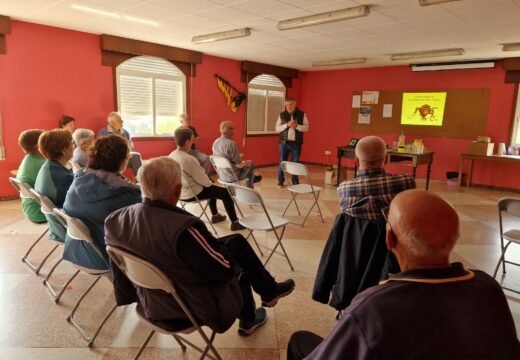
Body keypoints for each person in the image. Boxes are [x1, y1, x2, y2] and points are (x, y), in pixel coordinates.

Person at [288, 190, 520, 360]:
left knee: (299, 341)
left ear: (389, 240)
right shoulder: (488, 287)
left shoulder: (373, 307)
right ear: (456, 238)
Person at [105, 156, 295, 336]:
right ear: (178, 190)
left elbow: (122, 270)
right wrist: (214, 246)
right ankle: (251, 315)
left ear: (141, 186)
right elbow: (224, 270)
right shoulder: (183, 230)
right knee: (238, 263)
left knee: (236, 242)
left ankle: (268, 292)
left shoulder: (114, 221)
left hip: (150, 301)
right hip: (187, 306)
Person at [62, 135, 141, 270]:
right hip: (107, 257)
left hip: (77, 249)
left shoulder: (78, 179)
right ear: (122, 161)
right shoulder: (129, 194)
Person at [170, 127, 245, 231]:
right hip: (192, 194)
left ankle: (215, 215)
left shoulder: (171, 156)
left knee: (211, 189)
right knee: (225, 193)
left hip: (179, 194)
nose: (192, 142)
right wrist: (208, 182)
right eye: (192, 139)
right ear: (187, 141)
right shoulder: (189, 159)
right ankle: (235, 222)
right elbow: (205, 181)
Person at [337, 135, 416, 221]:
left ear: (356, 162)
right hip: (389, 233)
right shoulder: (406, 182)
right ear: (386, 159)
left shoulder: (343, 188)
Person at [34, 129, 74, 242]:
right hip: (70, 230)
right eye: (72, 143)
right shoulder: (64, 178)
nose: (73, 147)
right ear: (63, 150)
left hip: (57, 227)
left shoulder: (46, 168)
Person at [212, 121, 261, 188]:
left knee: (246, 167)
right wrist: (245, 162)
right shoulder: (231, 144)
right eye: (233, 128)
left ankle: (252, 178)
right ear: (228, 130)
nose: (234, 130)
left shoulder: (216, 142)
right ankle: (250, 188)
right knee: (250, 163)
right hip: (232, 177)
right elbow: (239, 164)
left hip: (222, 175)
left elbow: (222, 157)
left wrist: (238, 156)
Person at [275, 98, 309, 187]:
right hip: (284, 143)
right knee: (282, 161)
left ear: (295, 105)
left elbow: (306, 128)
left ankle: (295, 181)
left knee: (295, 162)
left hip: (296, 143)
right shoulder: (281, 115)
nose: (289, 106)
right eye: (287, 105)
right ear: (285, 105)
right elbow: (277, 129)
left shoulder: (302, 114)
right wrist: (287, 125)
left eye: (291, 104)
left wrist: (297, 126)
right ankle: (280, 180)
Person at [97, 111, 142, 177]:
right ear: (112, 123)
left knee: (135, 156)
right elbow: (101, 149)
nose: (122, 121)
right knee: (135, 156)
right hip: (110, 159)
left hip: (123, 158)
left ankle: (140, 180)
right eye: (120, 120)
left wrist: (128, 151)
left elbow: (131, 146)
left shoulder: (125, 132)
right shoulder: (103, 132)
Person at [16, 129, 46, 223]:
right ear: (38, 146)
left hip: (30, 210)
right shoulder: (42, 164)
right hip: (41, 212)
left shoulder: (28, 159)